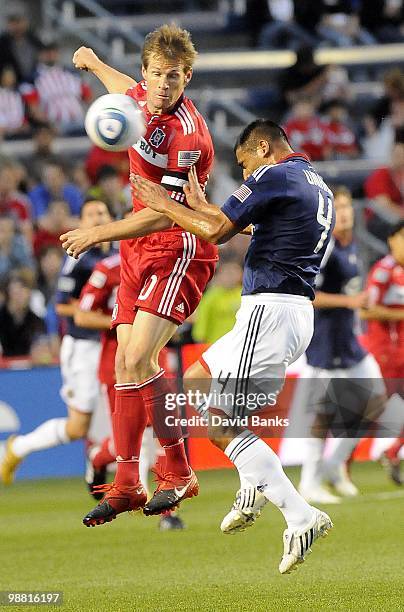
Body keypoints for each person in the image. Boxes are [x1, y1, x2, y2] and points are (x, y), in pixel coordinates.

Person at [131, 119, 334, 575]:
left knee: (220, 427)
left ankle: (300, 514)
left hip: (271, 310)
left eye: (245, 164)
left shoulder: (274, 174)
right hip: (291, 311)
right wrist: (204, 208)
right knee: (199, 380)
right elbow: (258, 231)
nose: (245, 176)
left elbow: (217, 233)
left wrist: (163, 202)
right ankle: (251, 483)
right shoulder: (314, 182)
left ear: (263, 147)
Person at [60, 25, 219, 527]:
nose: (163, 86)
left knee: (137, 356)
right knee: (126, 368)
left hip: (177, 247)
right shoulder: (139, 99)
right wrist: (92, 61)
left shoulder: (187, 135)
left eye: (174, 77)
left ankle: (178, 470)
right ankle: (128, 481)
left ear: (186, 77)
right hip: (137, 248)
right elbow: (121, 86)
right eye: (156, 75)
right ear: (147, 73)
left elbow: (166, 213)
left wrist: (97, 233)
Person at [0, 200, 115, 485]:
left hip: (112, 345)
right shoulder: (78, 256)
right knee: (78, 426)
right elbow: (62, 306)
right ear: (82, 222)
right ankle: (19, 447)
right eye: (91, 214)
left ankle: (110, 476)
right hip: (84, 346)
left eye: (103, 212)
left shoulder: (118, 252)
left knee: (124, 414)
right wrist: (104, 317)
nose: (98, 217)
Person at [75, 253, 185, 529]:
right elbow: (82, 314)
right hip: (118, 363)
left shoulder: (166, 262)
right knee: (138, 436)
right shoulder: (108, 269)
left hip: (153, 356)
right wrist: (125, 323)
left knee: (154, 431)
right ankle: (107, 461)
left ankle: (160, 507)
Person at [295, 186, 387, 504]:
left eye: (347, 207)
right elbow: (308, 295)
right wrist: (350, 301)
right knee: (321, 414)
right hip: (325, 341)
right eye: (339, 208)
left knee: (377, 401)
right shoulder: (325, 247)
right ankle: (309, 481)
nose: (345, 213)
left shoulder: (353, 245)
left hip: (349, 342)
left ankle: (334, 467)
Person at [360, 220, 404, 485]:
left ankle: (391, 452)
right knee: (372, 413)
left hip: (402, 352)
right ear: (392, 240)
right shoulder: (384, 270)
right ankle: (341, 462)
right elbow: (366, 309)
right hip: (385, 353)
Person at [23, 41, 93, 135]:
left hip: (79, 122)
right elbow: (34, 109)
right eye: (47, 52)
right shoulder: (32, 80)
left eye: (53, 51)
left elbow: (89, 98)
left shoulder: (72, 74)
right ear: (40, 54)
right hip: (55, 126)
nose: (51, 55)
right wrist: (50, 126)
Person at [192, 261, 242, 344]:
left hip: (238, 343)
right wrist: (199, 337)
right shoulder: (212, 295)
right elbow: (203, 316)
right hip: (214, 343)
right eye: (227, 274)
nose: (230, 278)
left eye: (233, 274)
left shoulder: (243, 295)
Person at [0, 273, 45, 358]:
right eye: (15, 291)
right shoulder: (1, 318)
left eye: (23, 290)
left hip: (28, 369)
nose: (20, 295)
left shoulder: (36, 321)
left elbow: (41, 348)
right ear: (7, 294)